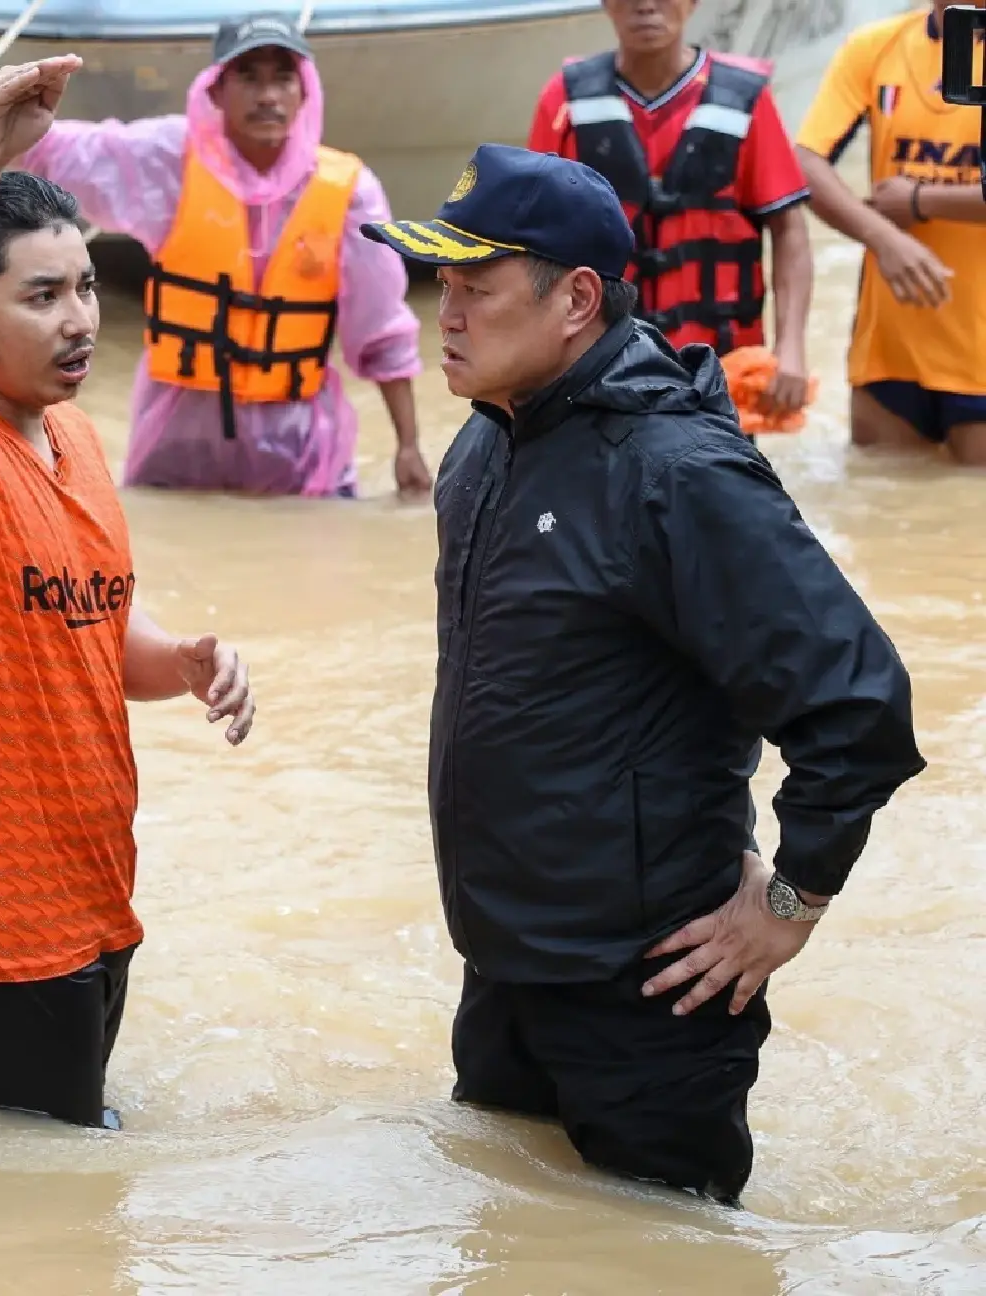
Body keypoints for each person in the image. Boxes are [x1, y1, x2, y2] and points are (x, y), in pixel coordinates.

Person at [362, 143, 925, 1205]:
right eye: (442, 284)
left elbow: (858, 707)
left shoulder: (676, 474)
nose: (446, 313)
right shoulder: (487, 443)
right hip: (507, 966)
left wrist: (792, 900)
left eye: (476, 287)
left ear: (576, 298)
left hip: (651, 991)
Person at [0, 55, 256, 1130]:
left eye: (85, 286)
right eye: (41, 296)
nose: (80, 317)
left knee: (68, 1218)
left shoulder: (75, 434)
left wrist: (182, 661)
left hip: (87, 912)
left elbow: (84, 616)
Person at [0, 14, 432, 499]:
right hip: (179, 427)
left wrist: (408, 445)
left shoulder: (350, 192)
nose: (267, 94)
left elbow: (382, 330)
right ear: (217, 91)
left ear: (304, 92)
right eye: (248, 76)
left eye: (282, 77)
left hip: (297, 438)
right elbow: (61, 148)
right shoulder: (171, 159)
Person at [526, 0, 813, 423]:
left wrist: (791, 349)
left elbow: (788, 229)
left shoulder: (745, 99)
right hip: (599, 373)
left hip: (719, 373)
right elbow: (529, 242)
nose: (646, 6)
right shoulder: (564, 100)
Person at [794, 1, 986, 466]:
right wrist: (883, 237)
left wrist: (921, 200)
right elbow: (803, 163)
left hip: (979, 358)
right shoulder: (875, 45)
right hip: (889, 351)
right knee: (883, 505)